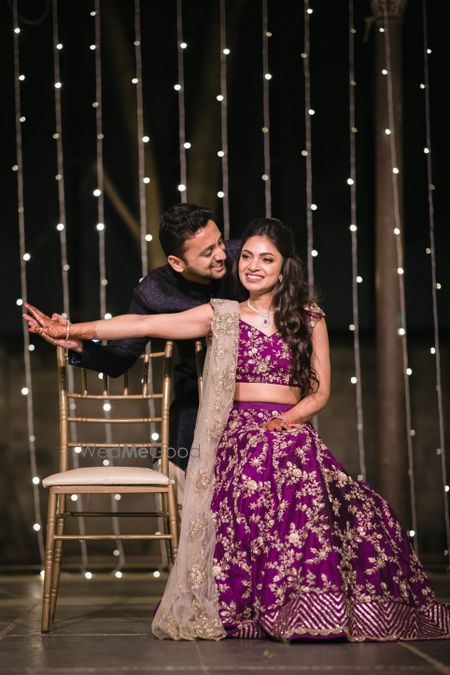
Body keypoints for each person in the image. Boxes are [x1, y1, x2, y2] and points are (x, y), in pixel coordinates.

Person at [24, 217, 450, 642]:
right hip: (239, 430)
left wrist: (287, 420)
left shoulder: (309, 318)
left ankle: (311, 604)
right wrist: (69, 329)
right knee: (268, 460)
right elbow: (140, 326)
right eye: (247, 256)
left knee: (330, 483)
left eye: (266, 259)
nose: (251, 265)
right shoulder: (222, 314)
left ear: (286, 268)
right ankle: (271, 602)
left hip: (290, 426)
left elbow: (319, 394)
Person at [40, 203, 240, 484]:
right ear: (177, 263)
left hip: (252, 395)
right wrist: (79, 346)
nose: (221, 254)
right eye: (207, 252)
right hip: (197, 396)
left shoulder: (245, 260)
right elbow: (119, 361)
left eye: (219, 242)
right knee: (180, 469)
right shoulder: (154, 291)